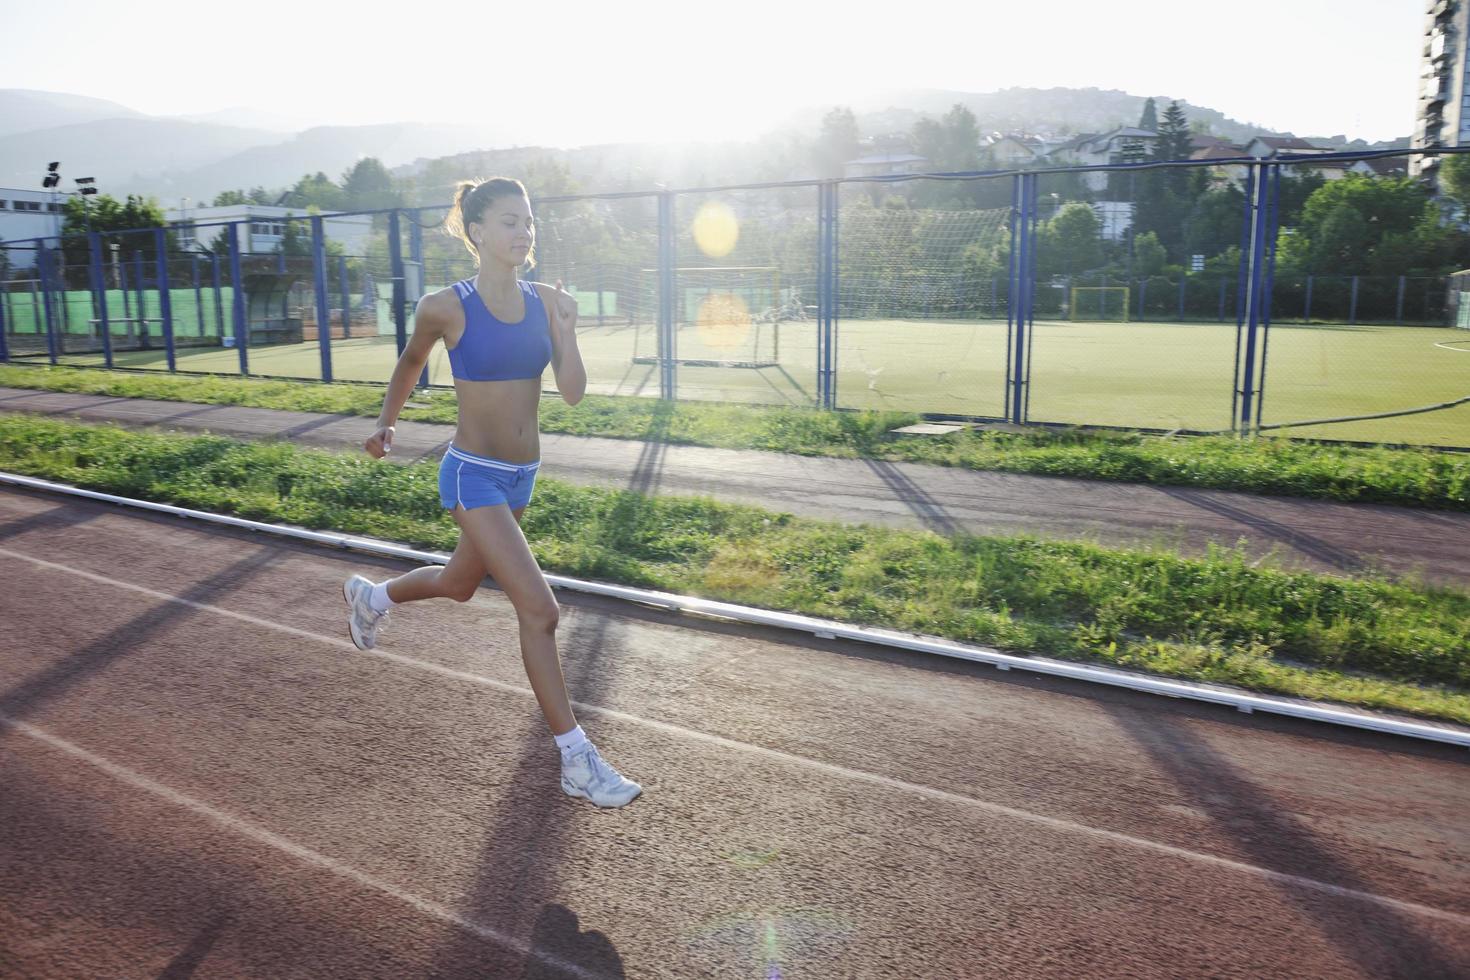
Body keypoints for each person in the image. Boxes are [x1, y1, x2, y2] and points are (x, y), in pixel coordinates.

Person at [343, 176, 641, 808]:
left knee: (457, 584)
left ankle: (374, 597)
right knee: (540, 609)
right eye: (510, 221)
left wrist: (568, 330)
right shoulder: (444, 306)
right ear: (477, 232)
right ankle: (576, 760)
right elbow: (410, 362)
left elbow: (573, 391)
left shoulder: (545, 302)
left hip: (519, 478)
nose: (523, 232)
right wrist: (385, 422)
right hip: (471, 473)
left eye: (529, 222)